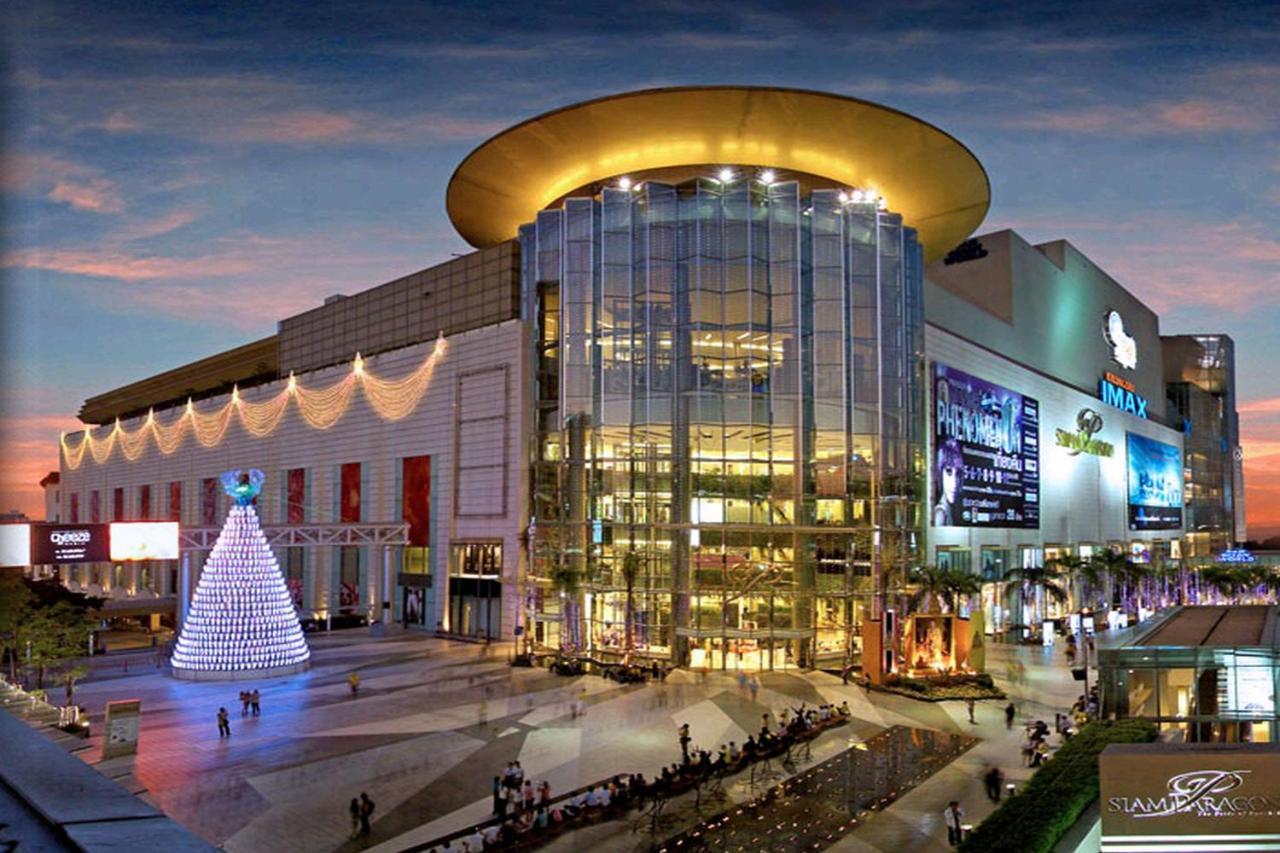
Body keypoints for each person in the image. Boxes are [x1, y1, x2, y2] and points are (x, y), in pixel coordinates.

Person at [933, 439, 964, 526]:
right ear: (940, 473)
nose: (954, 483)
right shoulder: (940, 514)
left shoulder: (949, 510)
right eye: (949, 472)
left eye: (957, 474)